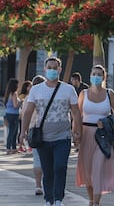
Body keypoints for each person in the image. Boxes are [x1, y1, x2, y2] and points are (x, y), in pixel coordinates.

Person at [20, 57, 83, 206]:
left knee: (60, 167)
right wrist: (23, 131)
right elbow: (28, 112)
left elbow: (76, 113)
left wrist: (78, 132)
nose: (53, 70)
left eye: (55, 68)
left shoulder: (68, 89)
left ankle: (58, 199)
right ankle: (49, 199)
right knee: (47, 170)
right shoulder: (36, 90)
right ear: (45, 69)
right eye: (50, 67)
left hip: (63, 137)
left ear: (60, 70)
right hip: (43, 138)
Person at [76, 65, 114, 206]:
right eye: (94, 73)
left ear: (104, 77)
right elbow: (77, 115)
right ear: (90, 75)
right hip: (86, 134)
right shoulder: (84, 93)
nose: (96, 76)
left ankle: (96, 202)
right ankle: (91, 200)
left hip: (103, 136)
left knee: (98, 168)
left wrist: (106, 121)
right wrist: (75, 133)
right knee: (87, 169)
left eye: (99, 74)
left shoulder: (110, 93)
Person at [21, 75, 46, 196]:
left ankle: (38, 186)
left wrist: (23, 132)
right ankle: (47, 184)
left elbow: (25, 114)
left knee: (37, 159)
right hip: (47, 129)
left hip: (33, 130)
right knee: (48, 159)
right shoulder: (47, 96)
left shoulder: (28, 98)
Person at [4, 78, 21, 155]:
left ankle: (14, 148)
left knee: (13, 131)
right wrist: (21, 102)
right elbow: (15, 105)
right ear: (15, 85)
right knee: (12, 132)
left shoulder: (8, 93)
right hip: (13, 114)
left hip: (8, 114)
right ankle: (8, 148)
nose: (18, 85)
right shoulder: (14, 93)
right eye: (17, 84)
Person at [18, 80, 32, 153]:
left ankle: (26, 146)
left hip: (27, 116)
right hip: (23, 116)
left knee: (26, 132)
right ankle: (21, 146)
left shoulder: (30, 95)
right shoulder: (23, 96)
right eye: (30, 86)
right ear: (26, 87)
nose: (31, 88)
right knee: (23, 132)